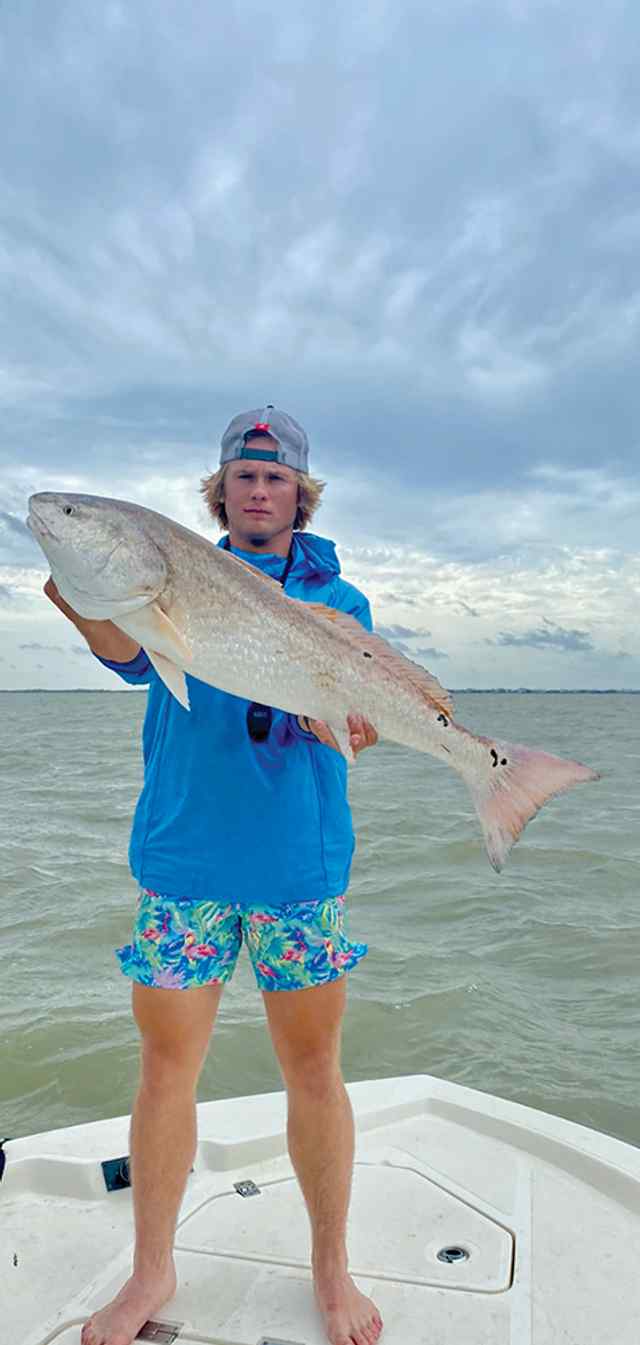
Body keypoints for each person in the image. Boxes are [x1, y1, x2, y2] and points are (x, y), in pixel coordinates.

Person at [45, 406, 384, 1345]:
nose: (260, 490)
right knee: (164, 1072)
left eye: (277, 479)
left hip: (297, 871)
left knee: (314, 1071)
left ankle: (331, 1270)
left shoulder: (339, 603)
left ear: (300, 494)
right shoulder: (166, 577)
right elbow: (122, 653)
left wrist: (350, 720)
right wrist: (80, 590)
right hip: (184, 863)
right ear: (221, 490)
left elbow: (352, 711)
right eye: (245, 476)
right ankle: (151, 1271)